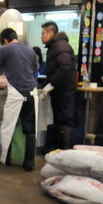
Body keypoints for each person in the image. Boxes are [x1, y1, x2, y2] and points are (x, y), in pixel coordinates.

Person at [0, 28, 38, 170]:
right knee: (30, 130)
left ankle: (5, 159)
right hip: (32, 93)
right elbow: (35, 74)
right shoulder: (30, 51)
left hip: (16, 93)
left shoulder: (5, 50)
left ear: (4, 40)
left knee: (8, 127)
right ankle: (29, 163)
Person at [40, 20, 77, 149]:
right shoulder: (55, 46)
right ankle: (59, 152)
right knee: (59, 121)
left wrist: (51, 84)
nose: (41, 37)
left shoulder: (60, 46)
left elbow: (65, 67)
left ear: (51, 33)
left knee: (65, 122)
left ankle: (65, 153)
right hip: (59, 91)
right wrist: (46, 84)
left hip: (64, 92)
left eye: (43, 33)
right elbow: (54, 70)